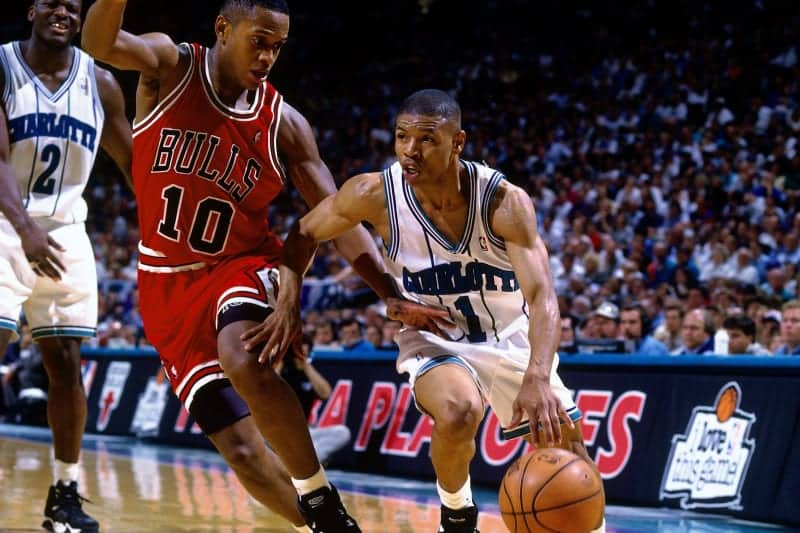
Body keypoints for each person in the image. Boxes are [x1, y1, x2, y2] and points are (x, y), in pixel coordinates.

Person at [81, 1, 424, 530]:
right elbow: (99, 44)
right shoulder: (170, 66)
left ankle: (317, 493)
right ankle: (327, 525)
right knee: (242, 454)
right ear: (223, 29)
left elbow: (338, 214)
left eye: (277, 47)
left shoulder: (284, 124)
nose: (267, 57)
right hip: (164, 285)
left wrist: (387, 291)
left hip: (241, 264)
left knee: (242, 356)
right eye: (258, 42)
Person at [243, 89, 605, 533]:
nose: (410, 150)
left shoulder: (503, 201)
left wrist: (537, 376)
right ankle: (457, 517)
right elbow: (303, 234)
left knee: (571, 462)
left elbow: (543, 296)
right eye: (402, 137)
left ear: (458, 143)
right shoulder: (374, 193)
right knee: (458, 410)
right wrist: (288, 303)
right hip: (436, 337)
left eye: (427, 139)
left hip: (510, 335)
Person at [0, 1, 132, 531]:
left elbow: (134, 164)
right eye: (52, 3)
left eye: (72, 7)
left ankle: (65, 493)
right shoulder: (3, 66)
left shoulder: (101, 84)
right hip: (6, 221)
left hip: (67, 230)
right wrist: (25, 228)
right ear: (31, 10)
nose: (62, 13)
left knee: (66, 364)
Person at [277, 335, 351, 465]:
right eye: (296, 350)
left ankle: (303, 462)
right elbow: (266, 391)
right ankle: (299, 462)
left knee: (343, 433)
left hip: (302, 433)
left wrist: (305, 365)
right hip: (275, 431)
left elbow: (326, 393)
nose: (299, 354)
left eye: (303, 351)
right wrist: (280, 360)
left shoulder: (310, 372)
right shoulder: (281, 369)